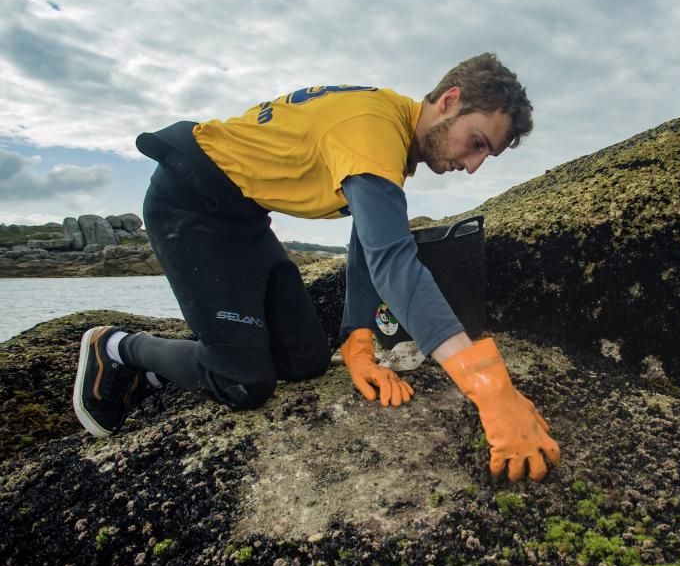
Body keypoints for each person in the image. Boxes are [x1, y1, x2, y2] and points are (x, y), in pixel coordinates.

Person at [72, 53, 560, 483]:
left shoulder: (393, 136)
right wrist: (489, 388)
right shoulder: (372, 128)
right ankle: (116, 348)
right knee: (243, 380)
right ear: (450, 100)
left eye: (486, 156)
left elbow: (367, 243)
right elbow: (393, 259)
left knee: (304, 361)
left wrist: (358, 340)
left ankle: (160, 375)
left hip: (244, 216)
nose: (473, 165)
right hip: (190, 200)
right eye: (476, 142)